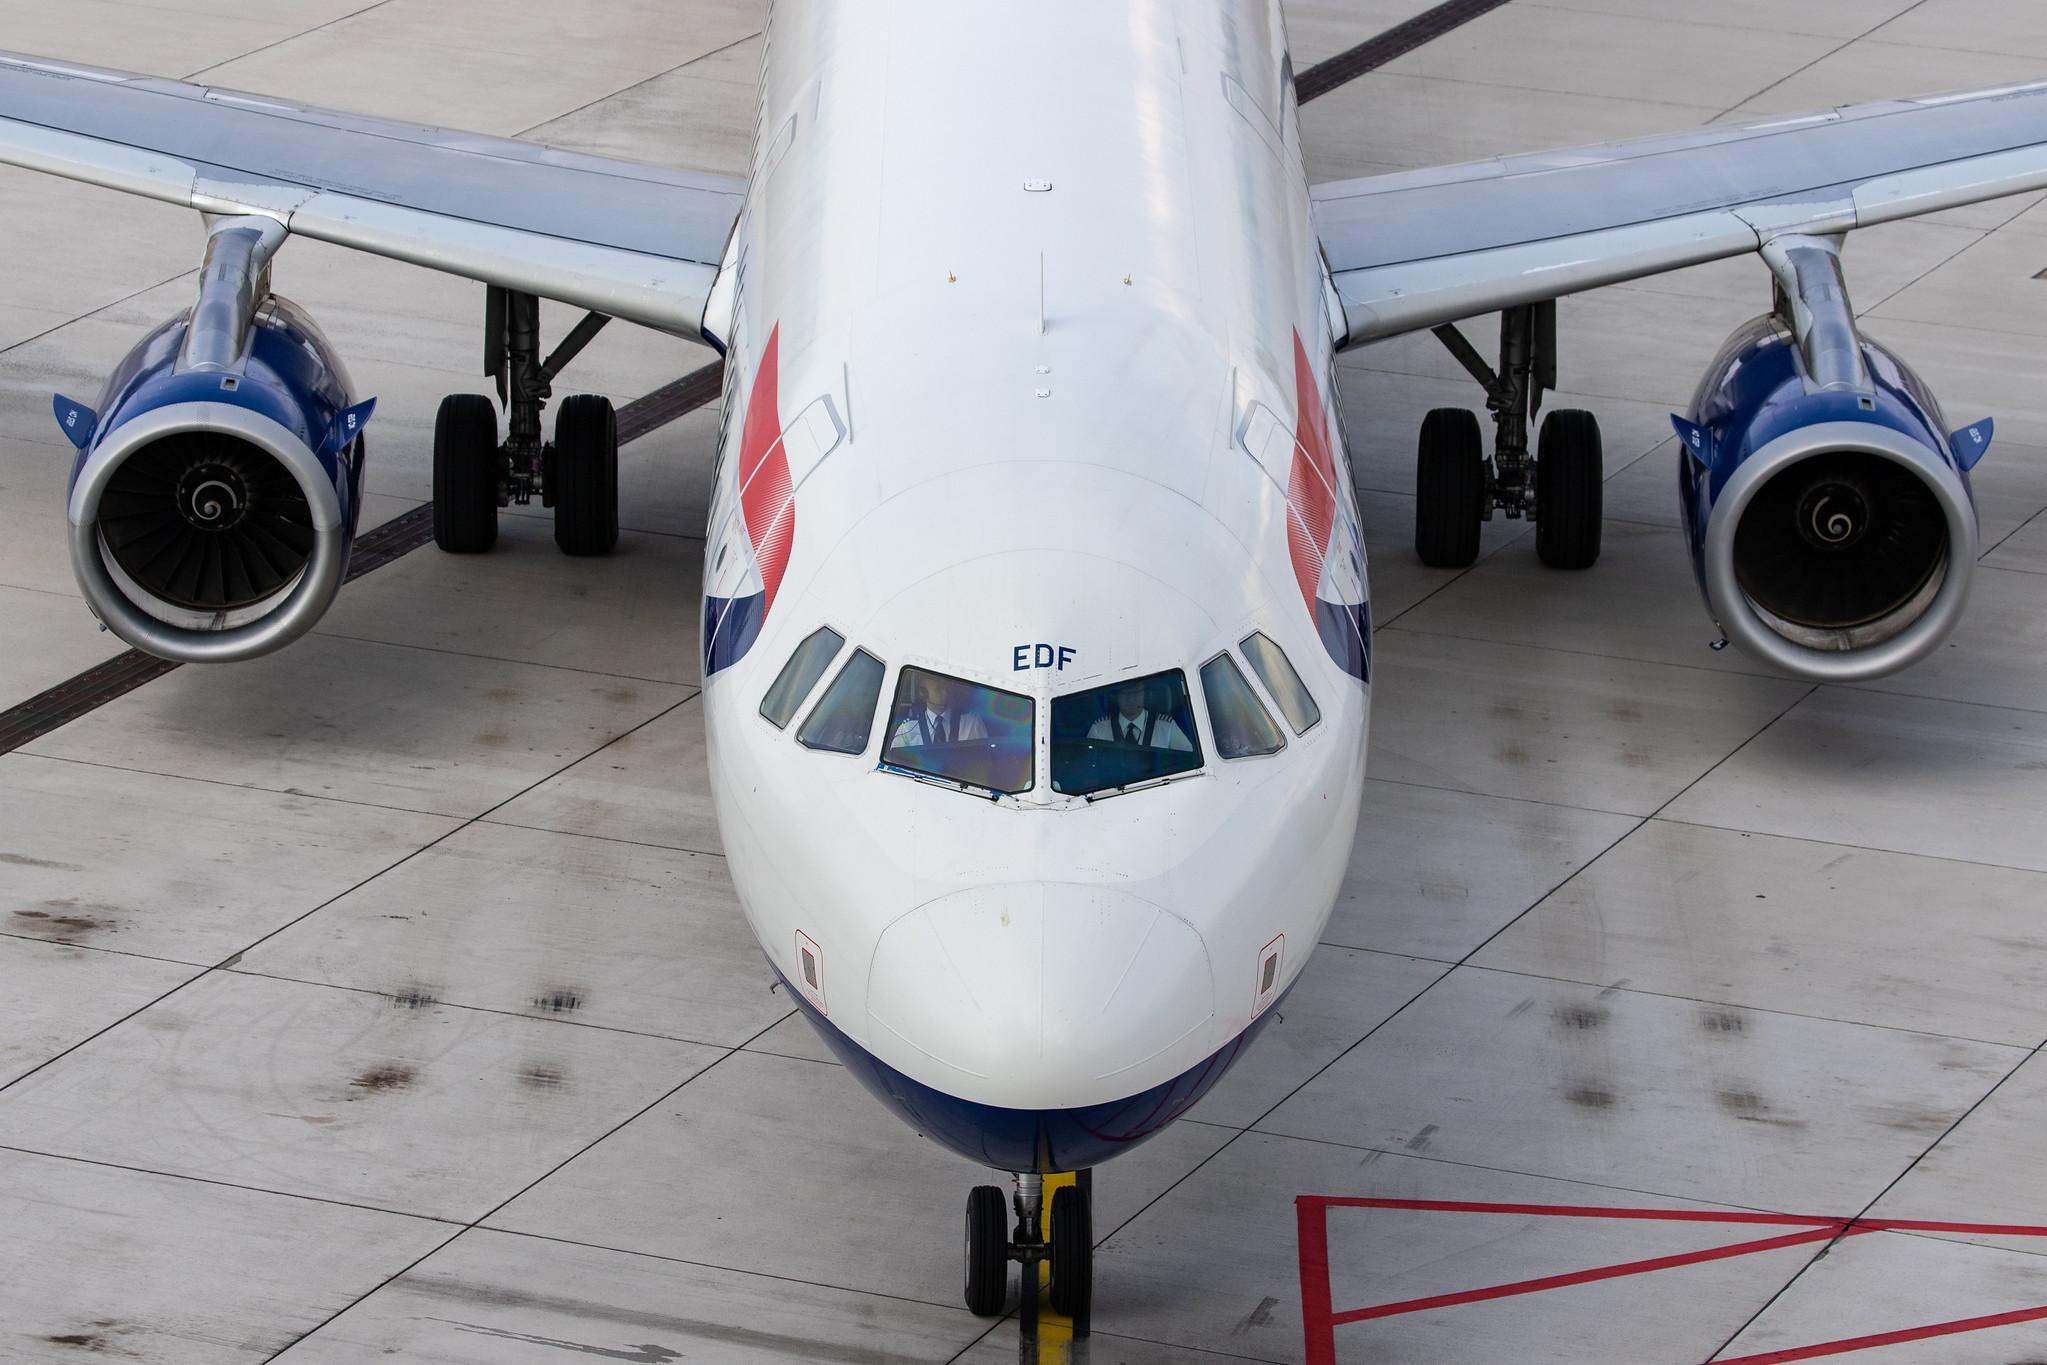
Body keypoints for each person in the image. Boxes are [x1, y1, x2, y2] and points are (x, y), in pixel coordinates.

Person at [888, 674, 988, 750]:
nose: (945, 692)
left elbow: (986, 757)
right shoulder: (907, 729)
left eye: (947, 688)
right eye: (939, 689)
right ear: (924, 694)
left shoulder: (972, 722)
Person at [1088, 680, 1193, 751]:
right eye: (1125, 694)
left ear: (1145, 695)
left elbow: (1189, 761)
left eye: (1136, 693)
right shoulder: (1098, 731)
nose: (1131, 699)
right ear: (1116, 697)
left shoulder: (1166, 727)